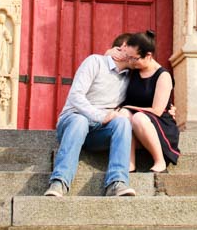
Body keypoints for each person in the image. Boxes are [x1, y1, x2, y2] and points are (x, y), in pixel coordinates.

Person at [44, 33, 137, 197]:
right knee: (79, 120)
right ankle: (59, 181)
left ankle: (117, 182)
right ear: (122, 47)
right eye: (135, 48)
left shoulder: (131, 77)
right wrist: (100, 116)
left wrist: (168, 109)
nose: (138, 54)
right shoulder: (95, 62)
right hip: (73, 121)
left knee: (122, 122)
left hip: (97, 133)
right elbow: (76, 96)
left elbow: (152, 69)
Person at [120, 30, 180, 173]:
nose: (130, 61)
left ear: (148, 55)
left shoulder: (163, 76)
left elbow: (157, 111)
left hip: (159, 124)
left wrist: (129, 107)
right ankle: (130, 163)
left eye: (134, 58)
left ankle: (160, 161)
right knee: (124, 114)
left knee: (137, 117)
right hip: (136, 123)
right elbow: (108, 57)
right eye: (128, 57)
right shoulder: (133, 66)